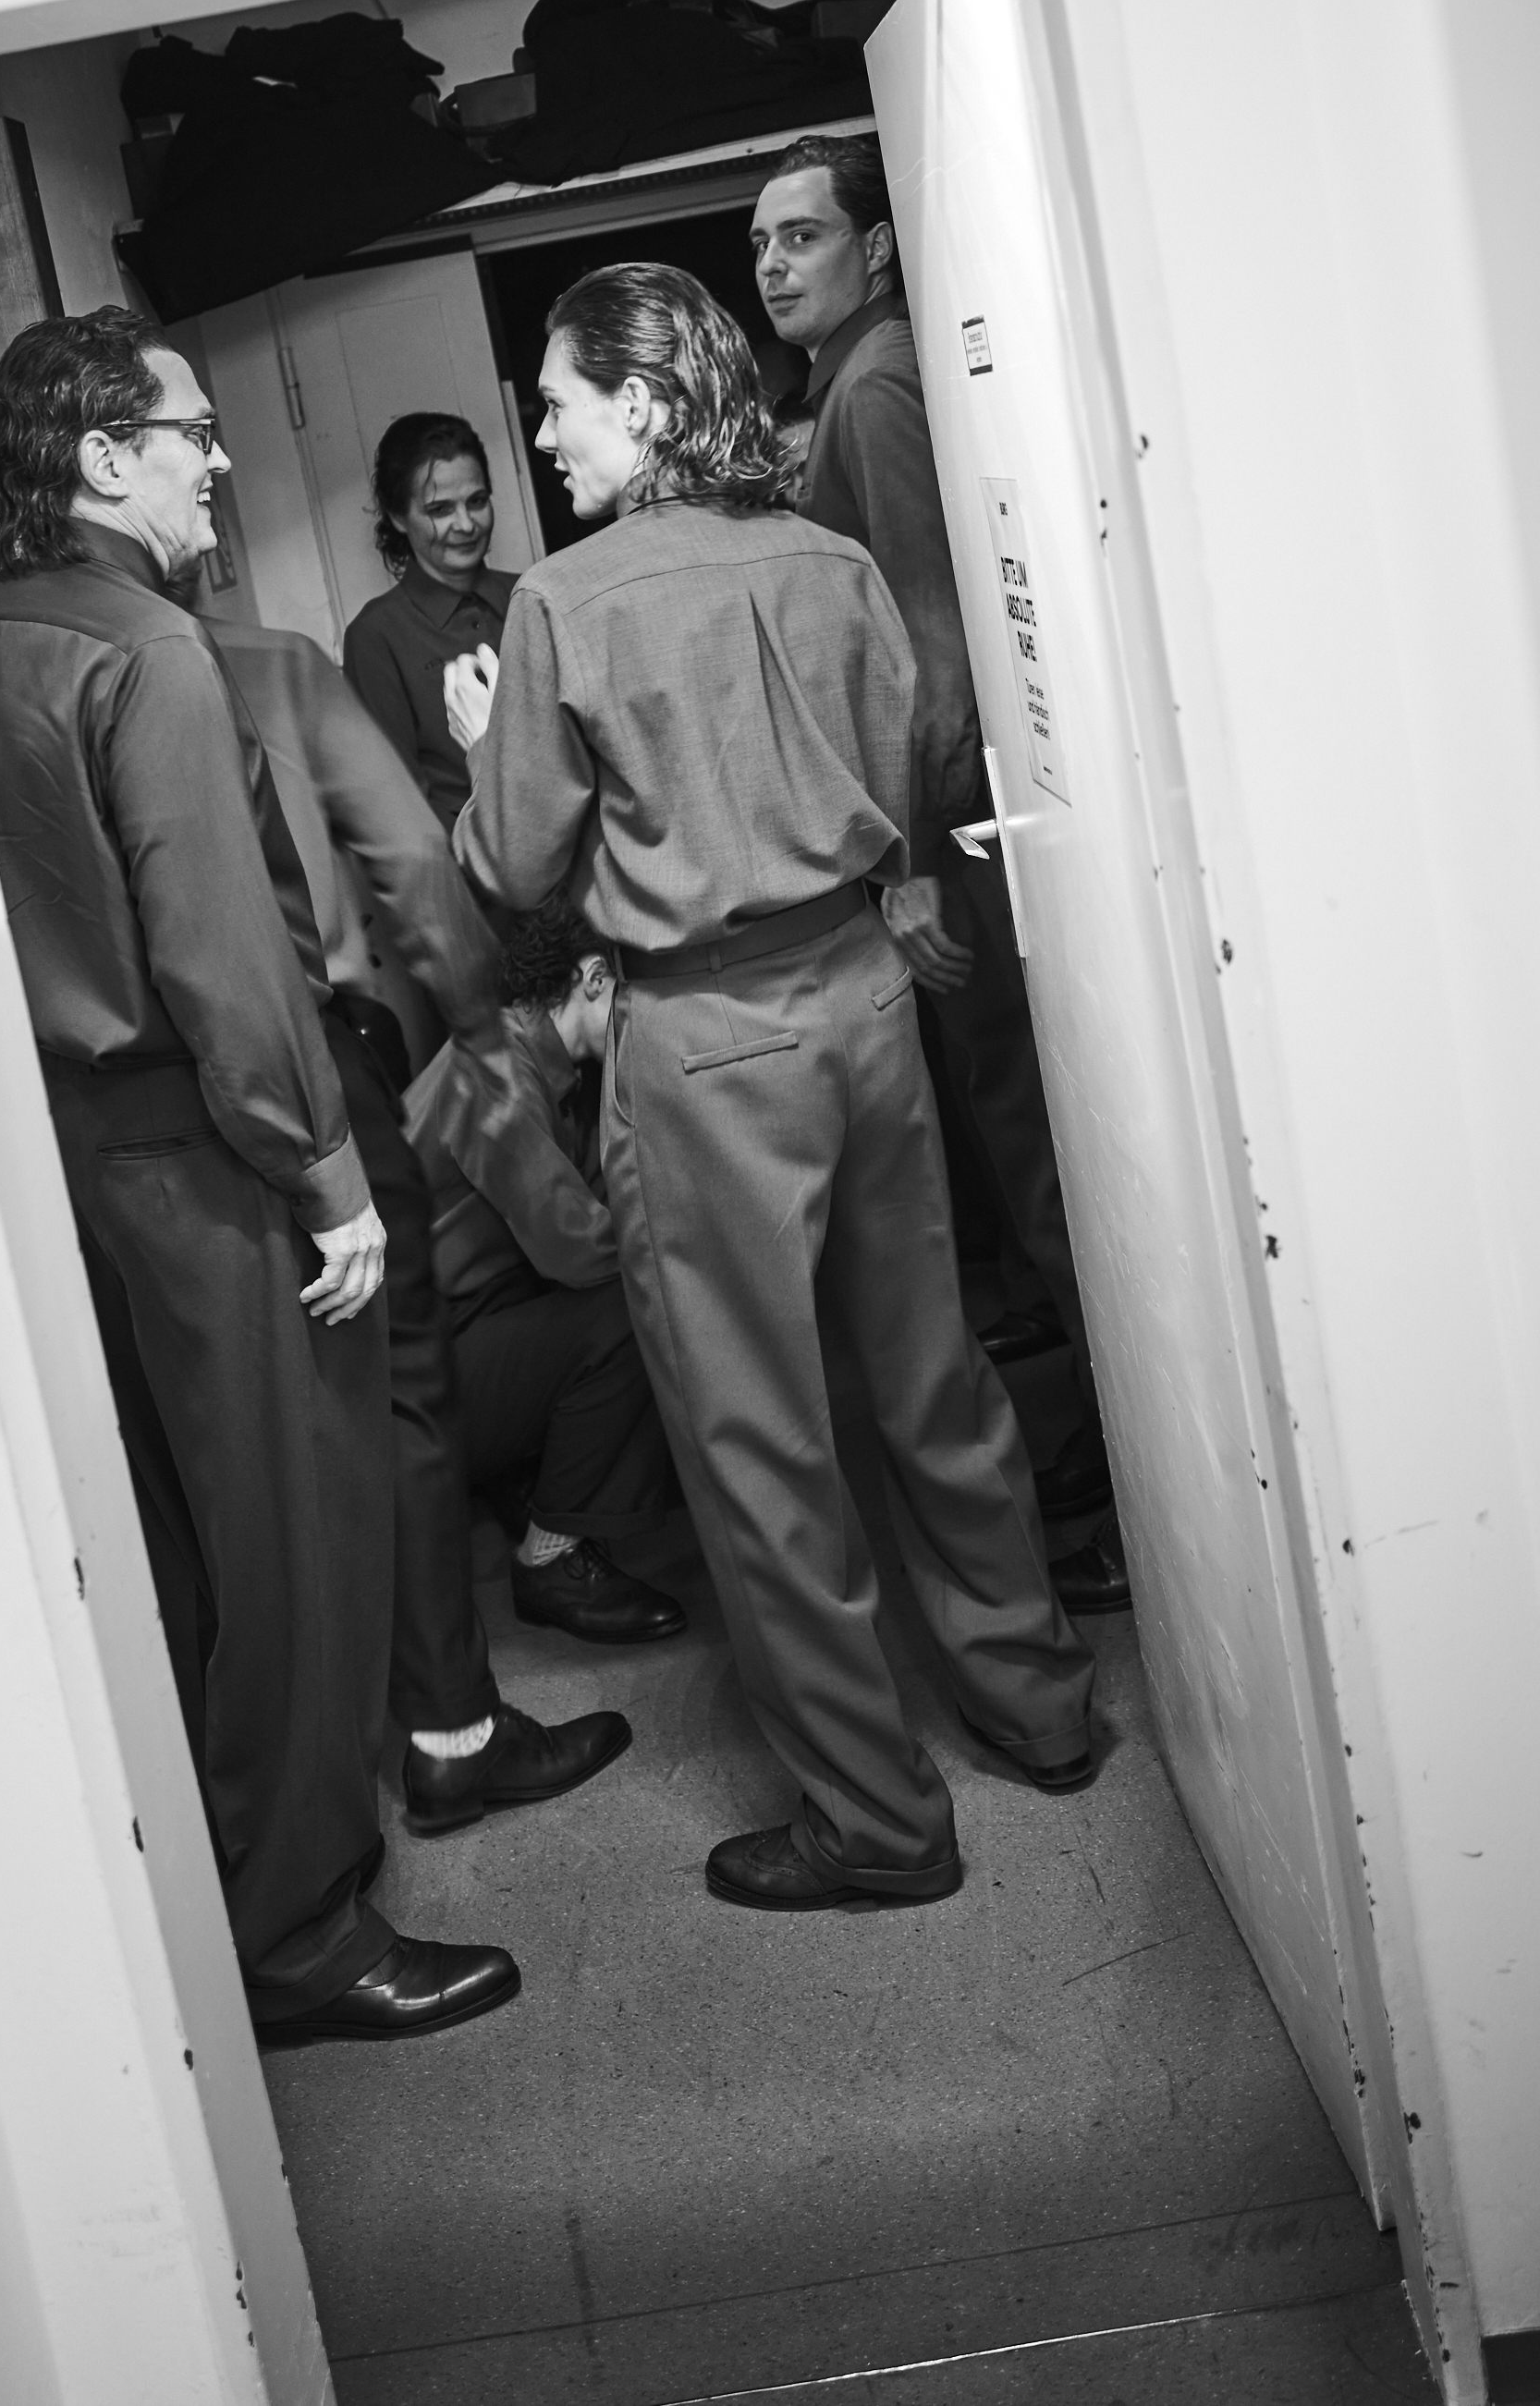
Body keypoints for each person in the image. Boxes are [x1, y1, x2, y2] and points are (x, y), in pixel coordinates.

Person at [446, 262, 1097, 1913]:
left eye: (558, 401)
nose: (543, 433)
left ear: (642, 402)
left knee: (760, 1443)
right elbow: (901, 763)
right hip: (864, 1005)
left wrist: (478, 753)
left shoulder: (561, 604)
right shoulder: (832, 559)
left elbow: (513, 866)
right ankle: (1040, 1706)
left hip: (706, 1040)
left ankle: (877, 1819)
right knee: (931, 1375)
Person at [0, 307, 514, 2046]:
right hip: (210, 1149)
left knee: (198, 1546)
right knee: (295, 1545)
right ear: (104, 456)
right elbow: (221, 955)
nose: (217, 462)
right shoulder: (153, 650)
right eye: (192, 433)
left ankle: (243, 1887)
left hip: (89, 1146)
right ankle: (303, 1935)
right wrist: (329, 1171)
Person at [752, 136, 1130, 1617]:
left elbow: (930, 644)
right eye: (760, 241)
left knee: (1036, 1159)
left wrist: (909, 870)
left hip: (955, 841)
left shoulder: (875, 385)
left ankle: (1136, 1491)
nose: (772, 262)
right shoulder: (845, 381)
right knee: (1013, 1154)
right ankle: (1105, 1448)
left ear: (872, 246)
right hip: (948, 833)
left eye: (800, 234)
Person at [195, 600, 637, 1837]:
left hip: (188, 1133)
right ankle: (530, 1592)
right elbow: (414, 870)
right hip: (332, 1101)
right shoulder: (271, 668)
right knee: (556, 1337)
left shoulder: (7, 656)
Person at [404, 893, 685, 1648]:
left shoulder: (544, 1063)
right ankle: (550, 1559)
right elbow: (574, 1247)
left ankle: (545, 1487)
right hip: (411, 1377)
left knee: (634, 1287)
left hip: (459, 1325)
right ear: (594, 978)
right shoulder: (494, 1071)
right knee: (634, 1308)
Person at [343, 411, 516, 825]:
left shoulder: (529, 595)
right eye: (440, 509)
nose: (466, 524)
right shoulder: (376, 636)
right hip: (462, 850)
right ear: (398, 516)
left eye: (477, 501)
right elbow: (397, 800)